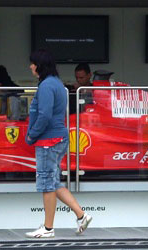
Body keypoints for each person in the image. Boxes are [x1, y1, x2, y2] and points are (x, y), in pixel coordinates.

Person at [24, 49, 92, 239]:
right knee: (53, 182)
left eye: (32, 63)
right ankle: (82, 215)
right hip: (57, 138)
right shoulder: (56, 83)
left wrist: (31, 135)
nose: (30, 66)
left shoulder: (46, 86)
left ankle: (48, 228)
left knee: (47, 184)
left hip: (48, 140)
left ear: (39, 65)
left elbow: (44, 115)